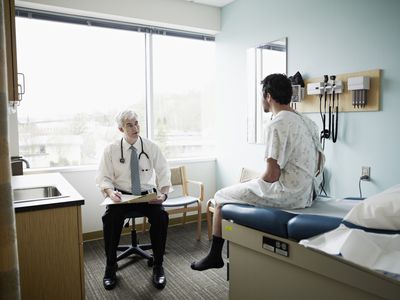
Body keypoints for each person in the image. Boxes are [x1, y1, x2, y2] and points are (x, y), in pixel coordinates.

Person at [191, 73, 325, 271]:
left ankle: (214, 256)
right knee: (247, 186)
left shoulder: (277, 123)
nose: (261, 100)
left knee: (220, 196)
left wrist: (250, 183)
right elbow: (318, 164)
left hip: (289, 195)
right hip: (308, 193)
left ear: (268, 96)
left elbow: (271, 176)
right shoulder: (307, 122)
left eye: (262, 96)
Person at [96, 109, 171, 290]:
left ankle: (158, 265)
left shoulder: (151, 147)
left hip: (147, 195)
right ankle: (110, 267)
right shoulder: (111, 150)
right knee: (110, 219)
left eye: (136, 123)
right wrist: (110, 192)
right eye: (129, 124)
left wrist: (163, 194)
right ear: (121, 129)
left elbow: (164, 172)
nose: (135, 127)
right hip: (121, 196)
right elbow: (103, 178)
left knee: (161, 217)